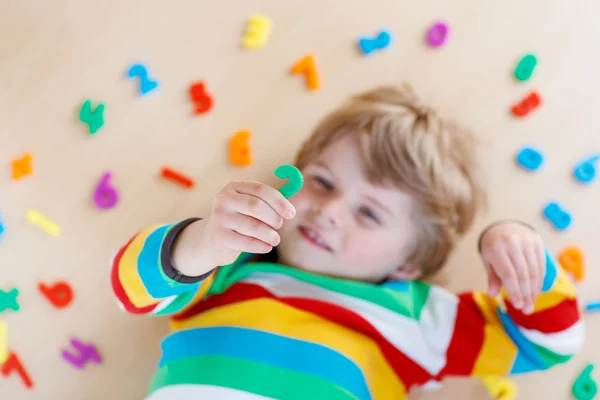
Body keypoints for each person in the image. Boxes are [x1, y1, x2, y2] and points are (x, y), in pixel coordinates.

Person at [111, 85, 583, 400]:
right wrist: (204, 241)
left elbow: (546, 345)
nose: (328, 210)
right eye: (322, 181)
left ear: (408, 265)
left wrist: (515, 247)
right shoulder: (229, 270)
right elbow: (130, 286)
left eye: (369, 213)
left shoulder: (416, 317)